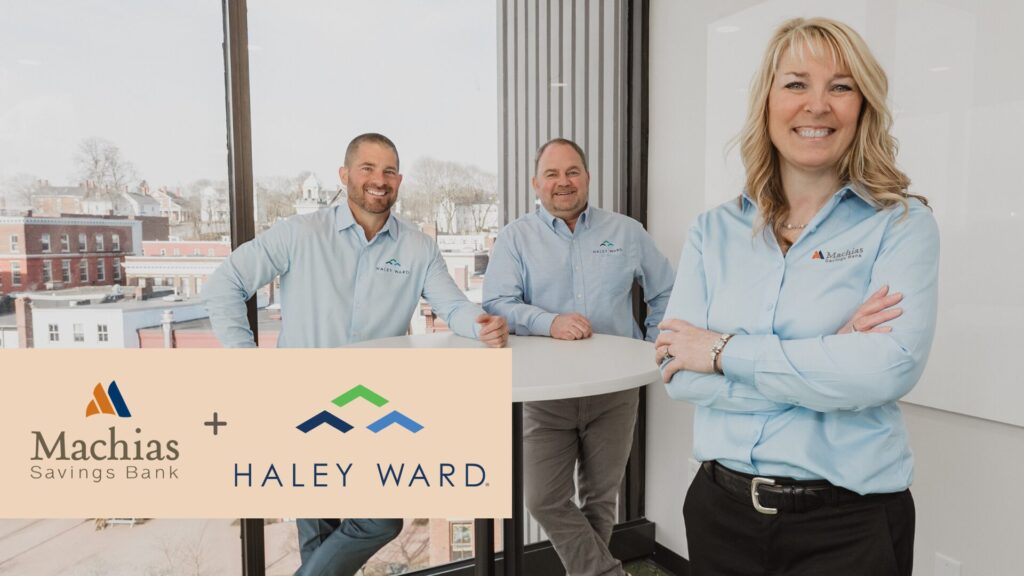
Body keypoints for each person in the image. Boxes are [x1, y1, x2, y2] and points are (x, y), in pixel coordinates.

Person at [654, 18, 938, 576]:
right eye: (796, 84)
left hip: (848, 527)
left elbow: (884, 371)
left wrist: (721, 352)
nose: (817, 105)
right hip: (720, 513)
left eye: (840, 86)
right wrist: (828, 356)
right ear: (766, 101)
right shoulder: (712, 232)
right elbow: (674, 369)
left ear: (863, 106)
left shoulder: (902, 225)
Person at [202, 132, 508, 576]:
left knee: (376, 520)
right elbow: (225, 285)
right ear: (345, 175)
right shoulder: (300, 233)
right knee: (327, 532)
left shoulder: (417, 248)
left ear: (399, 180)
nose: (378, 180)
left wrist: (482, 325)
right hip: (300, 406)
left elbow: (454, 306)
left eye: (388, 171)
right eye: (367, 168)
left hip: (368, 406)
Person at [483, 138, 675, 576]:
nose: (563, 182)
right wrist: (547, 321)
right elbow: (496, 303)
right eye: (552, 174)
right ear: (536, 183)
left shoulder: (626, 232)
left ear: (587, 178)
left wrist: (654, 345)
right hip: (547, 395)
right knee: (543, 498)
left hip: (616, 392)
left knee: (600, 498)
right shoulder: (517, 238)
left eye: (572, 172)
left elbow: (666, 290)